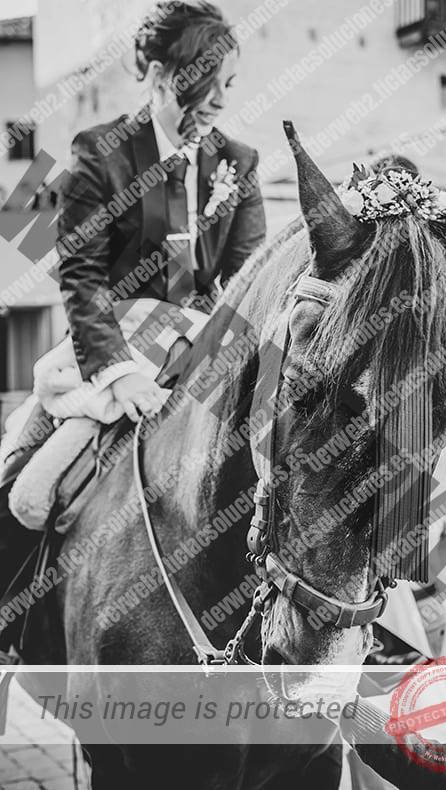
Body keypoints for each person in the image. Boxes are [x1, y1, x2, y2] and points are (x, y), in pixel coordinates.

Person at [2, 0, 266, 530]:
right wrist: (121, 376)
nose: (218, 101)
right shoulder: (102, 152)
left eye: (227, 85)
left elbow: (244, 284)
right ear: (159, 74)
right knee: (25, 495)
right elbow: (83, 277)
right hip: (114, 355)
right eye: (204, 83)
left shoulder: (239, 162)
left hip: (206, 351)